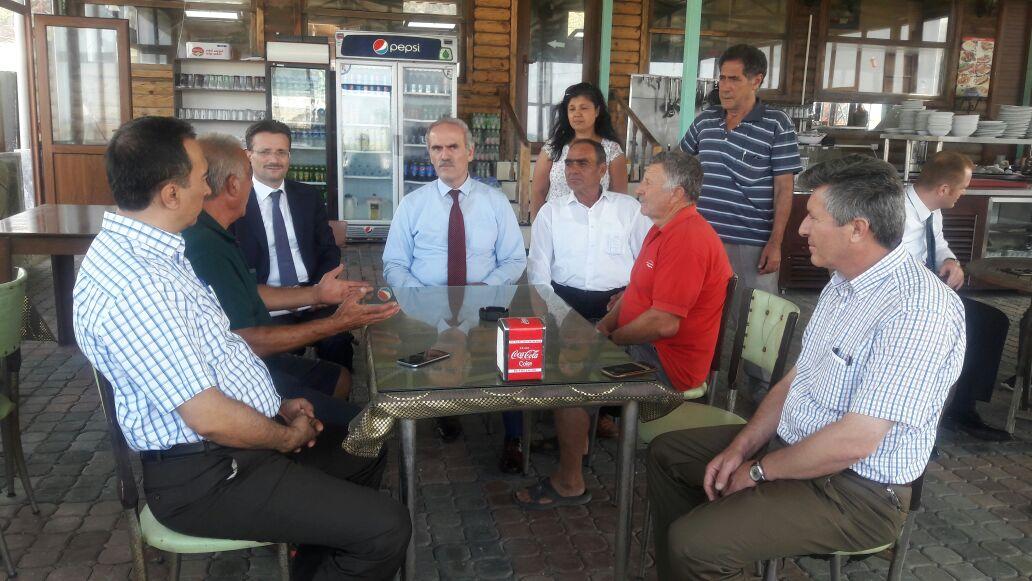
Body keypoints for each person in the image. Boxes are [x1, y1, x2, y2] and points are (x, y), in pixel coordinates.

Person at [73, 116, 410, 580]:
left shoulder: (155, 253)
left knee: (363, 445)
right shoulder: (139, 286)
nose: (207, 188)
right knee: (386, 527)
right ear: (170, 194)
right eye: (199, 178)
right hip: (206, 473)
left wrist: (276, 403)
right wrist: (284, 435)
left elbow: (218, 350)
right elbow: (208, 415)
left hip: (229, 443)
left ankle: (313, 562)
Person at [646, 155, 966, 580]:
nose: (801, 229)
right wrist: (742, 447)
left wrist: (757, 471)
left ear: (857, 229)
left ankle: (700, 554)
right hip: (793, 447)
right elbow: (796, 380)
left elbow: (855, 441)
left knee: (695, 544)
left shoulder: (919, 309)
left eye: (814, 217)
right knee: (668, 454)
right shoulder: (843, 281)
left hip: (857, 492)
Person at [515, 151, 731, 509]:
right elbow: (633, 295)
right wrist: (601, 329)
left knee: (571, 373)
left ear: (676, 193)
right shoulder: (662, 229)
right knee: (574, 353)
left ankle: (569, 481)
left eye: (648, 182)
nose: (639, 189)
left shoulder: (687, 238)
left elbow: (664, 323)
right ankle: (577, 440)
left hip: (668, 364)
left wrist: (608, 341)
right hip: (650, 347)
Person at [183, 133, 400, 427]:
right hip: (239, 372)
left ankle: (324, 431)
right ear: (235, 184)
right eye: (250, 173)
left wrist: (317, 294)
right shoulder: (205, 245)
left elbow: (250, 291)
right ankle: (317, 438)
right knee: (366, 431)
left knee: (340, 377)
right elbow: (248, 341)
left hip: (252, 350)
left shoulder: (213, 232)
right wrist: (338, 322)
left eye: (281, 152)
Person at [382, 117, 527, 446]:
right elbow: (394, 263)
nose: (444, 155)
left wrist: (485, 289)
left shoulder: (495, 202)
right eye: (437, 148)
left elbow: (515, 259)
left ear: (470, 152)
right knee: (423, 359)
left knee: (509, 363)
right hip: (423, 309)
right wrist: (420, 296)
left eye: (453, 147)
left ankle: (514, 439)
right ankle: (441, 409)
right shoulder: (413, 204)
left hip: (485, 307)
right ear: (429, 154)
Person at [527, 138, 652, 444]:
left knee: (615, 362)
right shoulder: (551, 212)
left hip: (616, 301)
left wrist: (631, 294)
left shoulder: (629, 210)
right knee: (567, 360)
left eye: (582, 163)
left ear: (602, 170)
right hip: (565, 301)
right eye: (569, 163)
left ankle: (603, 414)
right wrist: (554, 313)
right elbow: (538, 271)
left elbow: (648, 262)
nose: (573, 170)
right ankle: (570, 417)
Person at [902, 151, 1010, 441]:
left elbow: (938, 244)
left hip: (929, 294)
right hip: (902, 300)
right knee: (975, 324)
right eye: (963, 188)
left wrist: (950, 260)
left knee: (992, 321)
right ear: (944, 189)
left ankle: (962, 408)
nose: (964, 194)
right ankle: (925, 418)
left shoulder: (930, 208)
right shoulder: (896, 212)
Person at [234, 120, 356, 372]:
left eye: (281, 152)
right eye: (265, 152)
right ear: (248, 155)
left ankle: (343, 391)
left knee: (338, 340)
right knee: (277, 365)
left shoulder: (308, 196)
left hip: (313, 294)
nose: (274, 159)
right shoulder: (236, 202)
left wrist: (318, 290)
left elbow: (328, 249)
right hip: (264, 303)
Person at [530, 82, 628, 218]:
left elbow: (620, 198)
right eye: (572, 109)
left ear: (597, 111)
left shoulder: (612, 150)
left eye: (584, 108)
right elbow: (538, 191)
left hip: (597, 224)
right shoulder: (553, 147)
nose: (577, 114)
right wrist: (537, 225)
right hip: (557, 222)